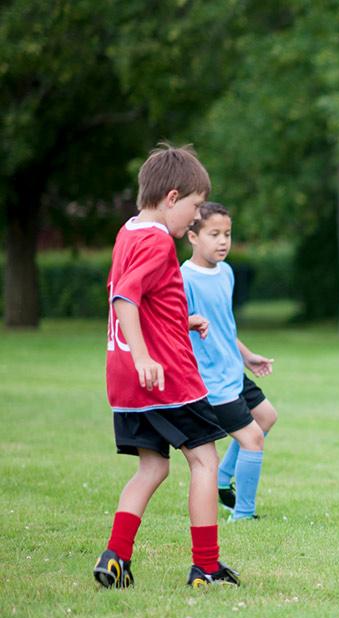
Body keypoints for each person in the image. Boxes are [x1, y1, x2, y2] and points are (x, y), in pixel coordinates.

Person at [94, 144, 239, 589]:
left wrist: (181, 318)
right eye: (194, 208)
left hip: (125, 380)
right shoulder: (158, 242)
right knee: (204, 460)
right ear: (172, 198)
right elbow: (125, 298)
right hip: (164, 375)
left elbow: (140, 295)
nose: (195, 220)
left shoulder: (128, 232)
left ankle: (115, 557)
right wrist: (144, 354)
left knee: (153, 467)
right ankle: (207, 567)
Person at [181, 202, 278, 522]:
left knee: (266, 417)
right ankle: (243, 513)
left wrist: (247, 356)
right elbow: (175, 326)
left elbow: (225, 326)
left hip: (232, 369)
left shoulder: (226, 272)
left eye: (227, 234)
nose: (223, 241)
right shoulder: (185, 279)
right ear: (193, 236)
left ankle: (223, 479)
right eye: (214, 234)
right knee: (252, 439)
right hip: (211, 380)